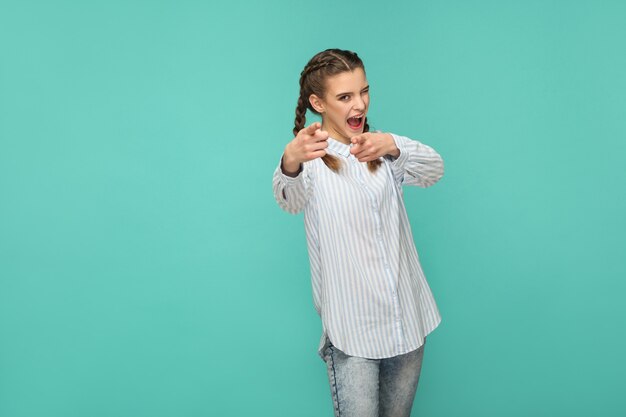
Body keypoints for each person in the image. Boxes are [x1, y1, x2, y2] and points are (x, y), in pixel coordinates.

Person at [272, 48, 444, 417]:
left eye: (363, 92)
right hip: (353, 333)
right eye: (345, 96)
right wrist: (291, 159)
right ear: (318, 102)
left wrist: (395, 145)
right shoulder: (311, 160)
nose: (359, 104)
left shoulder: (379, 148)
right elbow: (288, 198)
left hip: (406, 322)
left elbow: (434, 169)